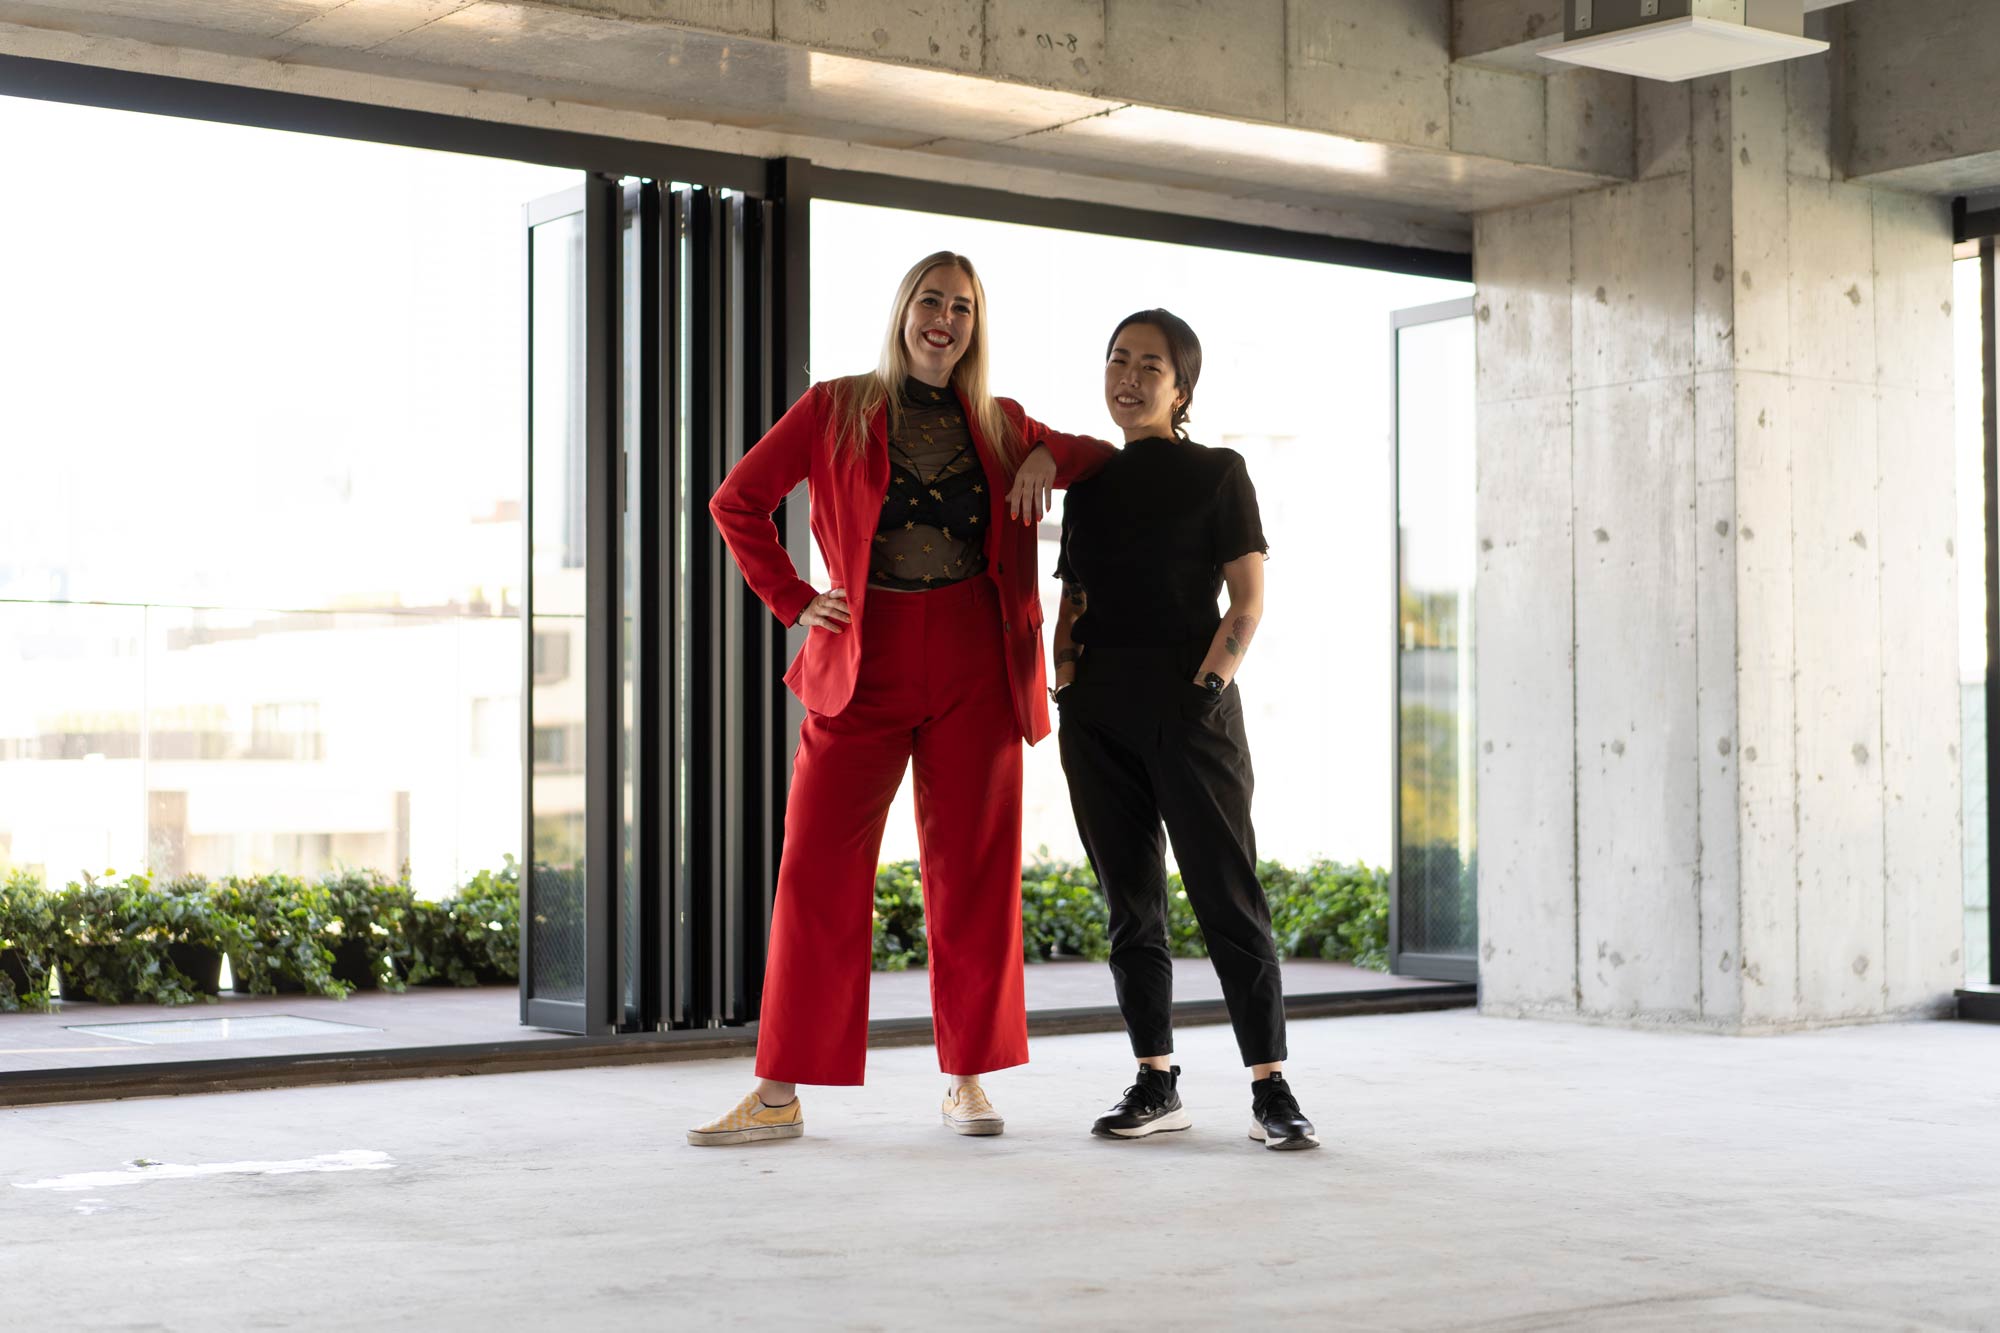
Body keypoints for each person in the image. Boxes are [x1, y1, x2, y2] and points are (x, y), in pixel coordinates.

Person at [689, 251, 1113, 1146]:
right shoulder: (836, 406)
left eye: (962, 308)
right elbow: (738, 501)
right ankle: (777, 1094)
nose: (945, 320)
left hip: (976, 661)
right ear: (904, 310)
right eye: (932, 301)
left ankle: (968, 1079)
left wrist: (1039, 451)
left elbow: (1102, 459)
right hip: (862, 658)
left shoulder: (1001, 422)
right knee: (814, 873)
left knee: (974, 872)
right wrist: (799, 600)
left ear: (975, 326)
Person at [1050, 308, 1320, 1151]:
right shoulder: (1089, 482)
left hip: (1189, 711)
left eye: (1150, 366)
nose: (1128, 377)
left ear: (1182, 387)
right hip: (1096, 716)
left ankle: (1270, 1088)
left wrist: (1205, 688)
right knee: (1130, 903)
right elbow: (1074, 598)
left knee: (1227, 896)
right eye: (1117, 360)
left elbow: (1248, 599)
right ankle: (1155, 1077)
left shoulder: (1218, 472)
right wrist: (1065, 682)